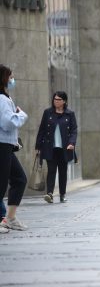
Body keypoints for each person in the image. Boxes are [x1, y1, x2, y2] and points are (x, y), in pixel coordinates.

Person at [0, 64, 29, 232]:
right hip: (2, 145)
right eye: (10, 77)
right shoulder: (2, 99)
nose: (12, 80)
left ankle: (9, 218)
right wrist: (21, 115)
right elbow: (8, 122)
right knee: (2, 184)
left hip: (7, 145)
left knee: (19, 179)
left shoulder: (5, 97)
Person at [36, 91, 77, 204]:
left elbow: (74, 130)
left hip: (65, 148)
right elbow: (42, 130)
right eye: (55, 99)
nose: (56, 101)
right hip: (50, 147)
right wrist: (38, 146)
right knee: (51, 170)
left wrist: (71, 143)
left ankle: (62, 194)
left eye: (58, 99)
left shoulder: (70, 114)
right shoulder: (48, 112)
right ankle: (50, 193)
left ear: (64, 101)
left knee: (63, 172)